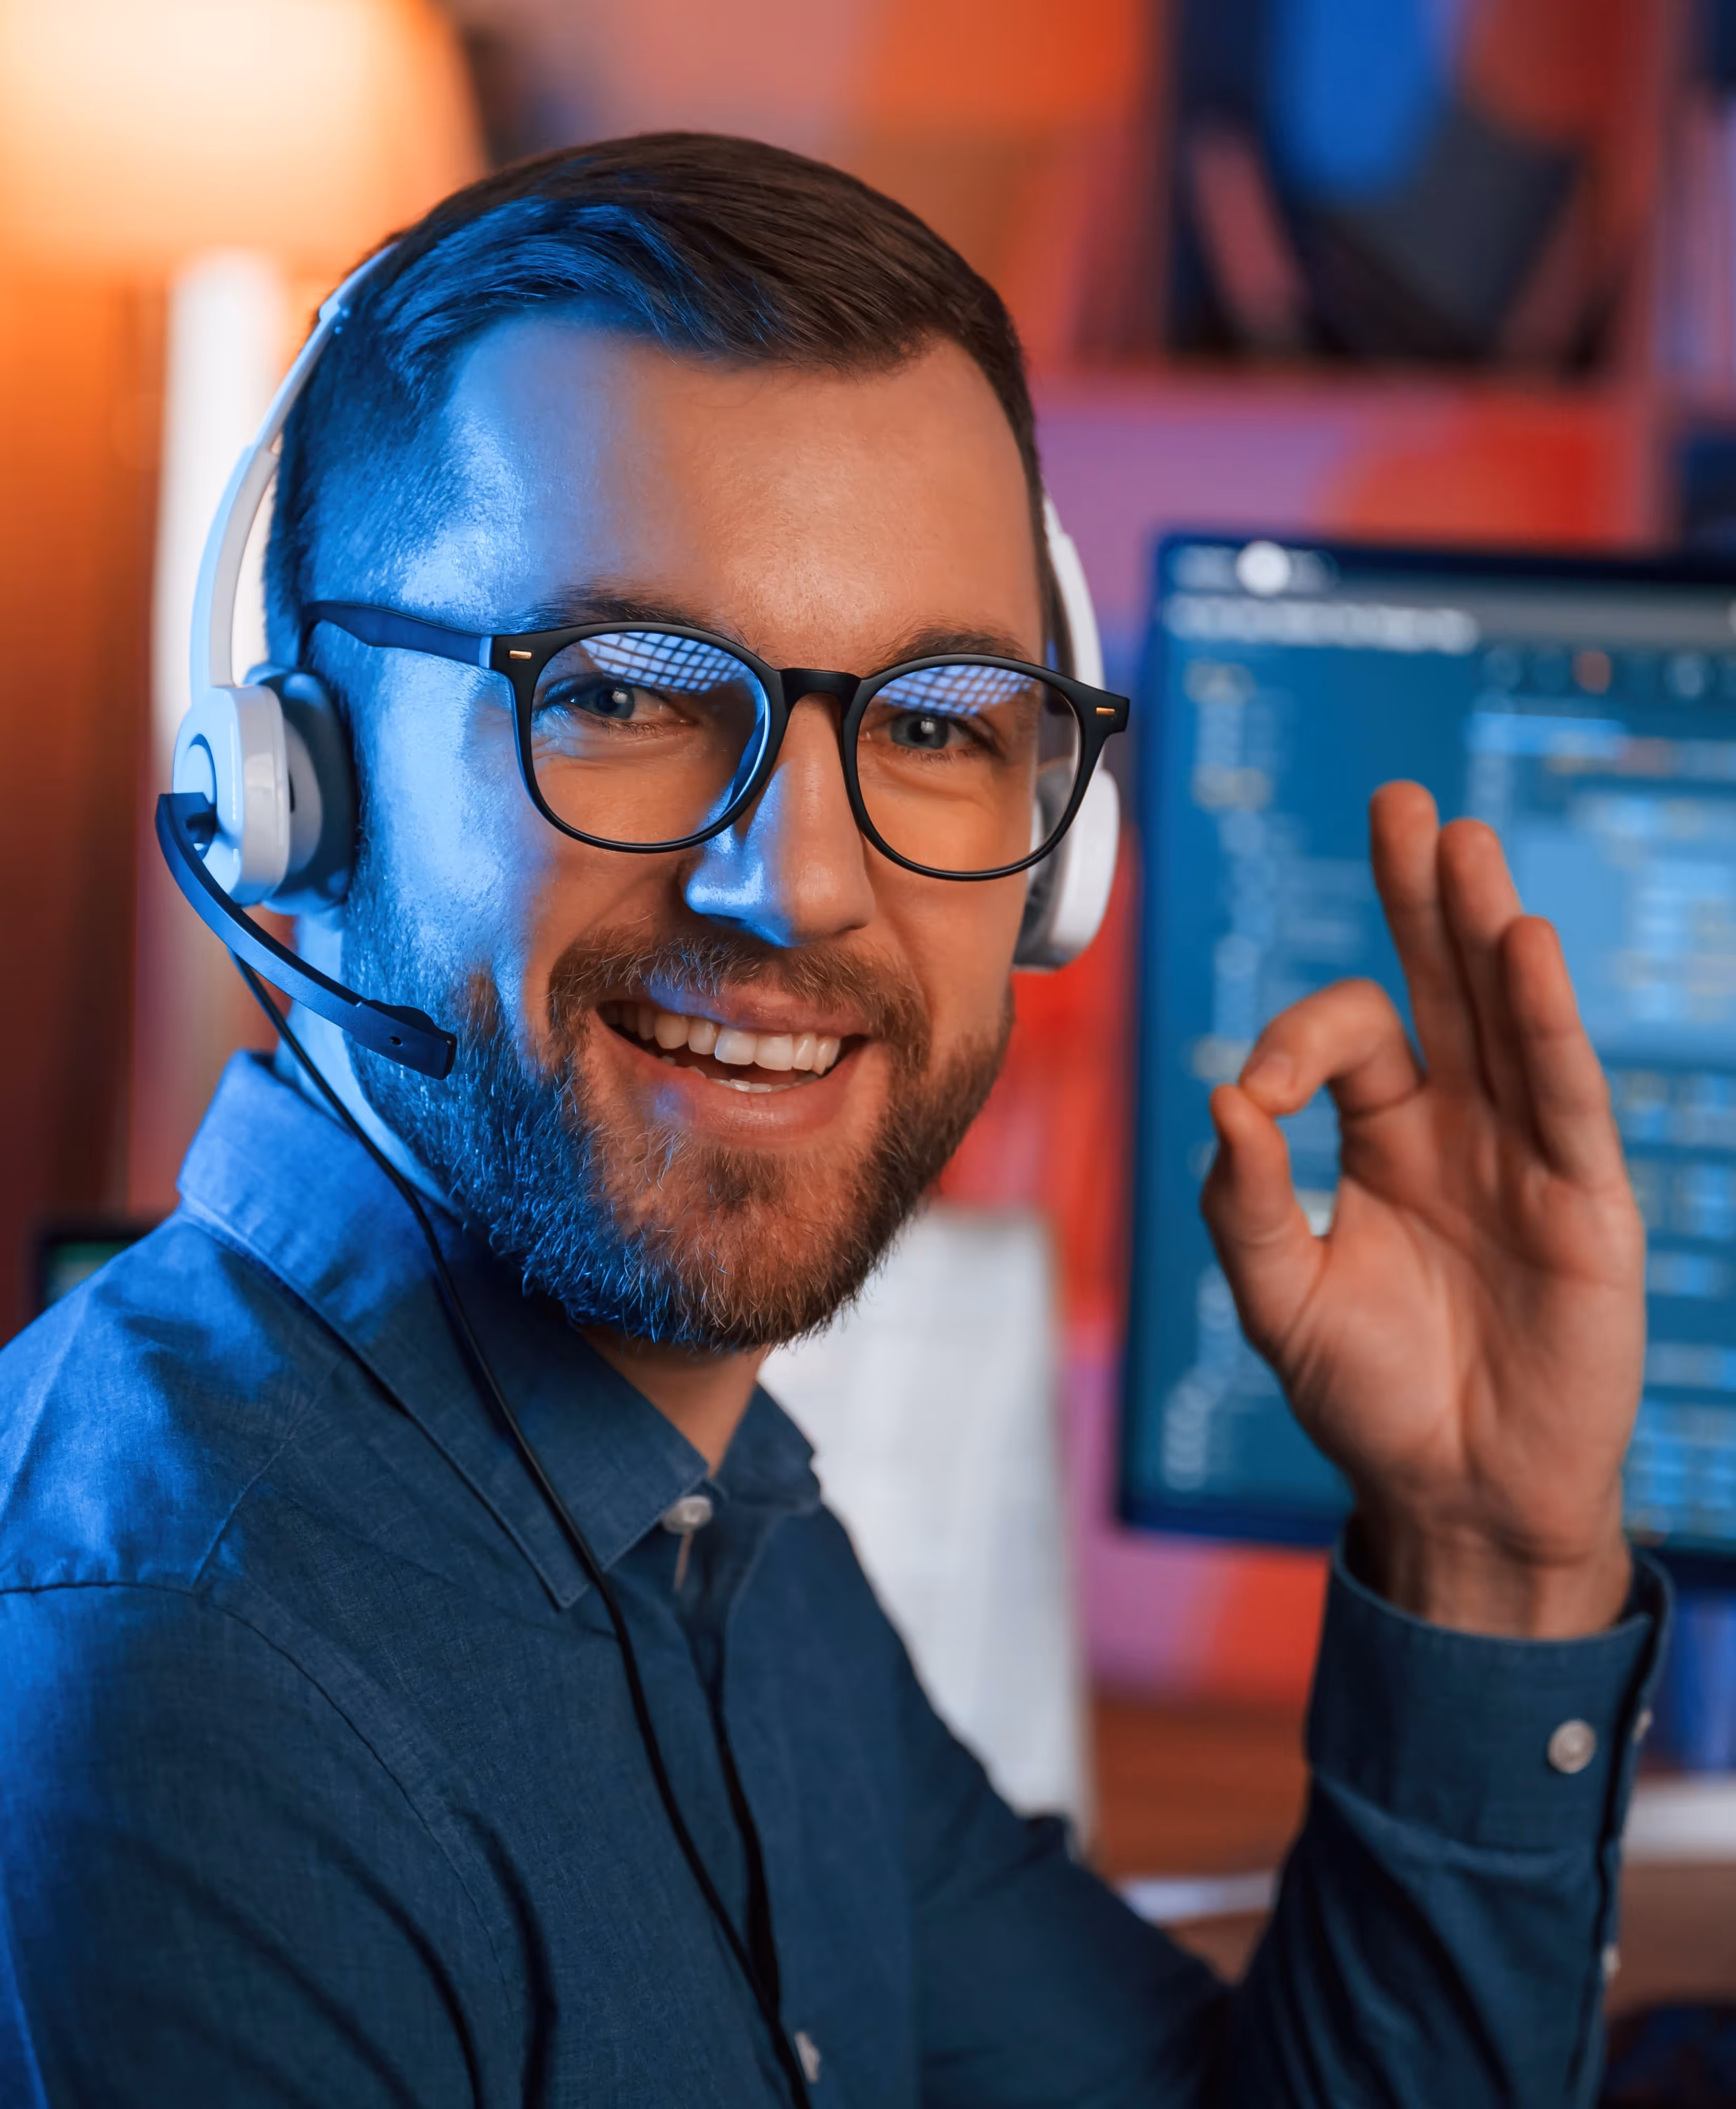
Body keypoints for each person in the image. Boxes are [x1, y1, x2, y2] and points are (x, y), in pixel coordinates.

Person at [0, 135, 1663, 2107]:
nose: (795, 882)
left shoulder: (708, 1522)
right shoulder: (175, 1682)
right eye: (621, 692)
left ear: (1054, 860)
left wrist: (1484, 1549)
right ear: (299, 785)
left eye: (943, 720)